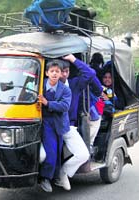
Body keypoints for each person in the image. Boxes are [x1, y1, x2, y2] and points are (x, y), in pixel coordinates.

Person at [55, 54, 102, 191]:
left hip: (69, 127)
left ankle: (62, 173)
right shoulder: (48, 84)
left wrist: (73, 59)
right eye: (60, 71)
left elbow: (90, 73)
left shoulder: (75, 84)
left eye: (66, 71)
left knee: (83, 154)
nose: (63, 74)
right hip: (51, 126)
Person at [38, 59, 72, 193]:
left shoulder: (65, 90)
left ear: (61, 74)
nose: (54, 74)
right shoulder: (40, 86)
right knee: (50, 152)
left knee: (58, 152)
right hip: (45, 122)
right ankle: (44, 178)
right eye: (52, 71)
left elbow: (65, 106)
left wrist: (47, 103)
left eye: (57, 71)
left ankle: (56, 177)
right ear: (46, 73)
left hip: (58, 124)